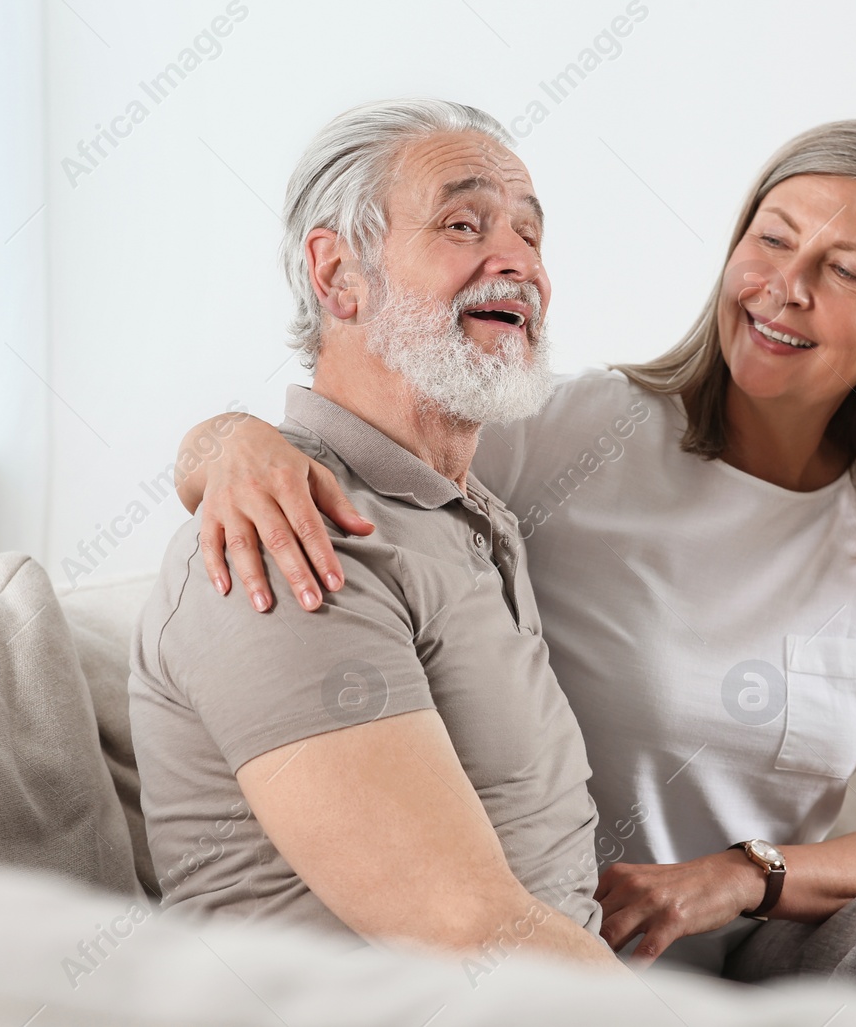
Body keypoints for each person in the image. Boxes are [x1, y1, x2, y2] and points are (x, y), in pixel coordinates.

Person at [176, 116, 856, 996]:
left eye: (845, 271)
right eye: (772, 241)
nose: (785, 287)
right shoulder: (579, 434)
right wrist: (230, 441)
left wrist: (742, 875)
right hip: (569, 958)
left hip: (745, 954)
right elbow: (381, 442)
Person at [128, 99, 623, 976]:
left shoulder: (464, 511)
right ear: (338, 275)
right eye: (463, 224)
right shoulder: (282, 537)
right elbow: (466, 932)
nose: (516, 263)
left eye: (531, 237)